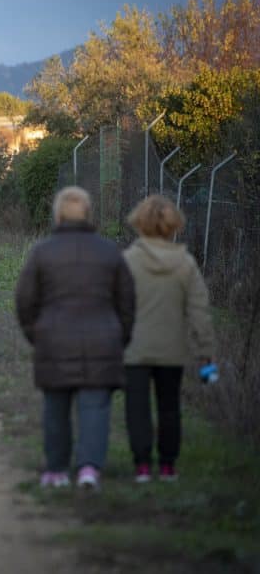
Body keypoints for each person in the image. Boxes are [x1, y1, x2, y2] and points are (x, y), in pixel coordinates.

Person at [15, 186, 136, 490]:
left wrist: (36, 334)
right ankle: (89, 469)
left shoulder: (42, 251)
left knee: (55, 409)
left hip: (53, 341)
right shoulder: (110, 251)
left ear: (57, 215)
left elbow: (25, 301)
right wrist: (119, 336)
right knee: (95, 408)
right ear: (89, 214)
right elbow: (127, 303)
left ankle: (56, 470)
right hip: (103, 340)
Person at [122, 195, 216, 483]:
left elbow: (116, 304)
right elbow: (199, 311)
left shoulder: (128, 260)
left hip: (135, 349)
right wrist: (206, 351)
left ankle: (141, 466)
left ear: (140, 222)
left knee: (137, 408)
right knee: (170, 407)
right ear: (173, 224)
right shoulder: (185, 263)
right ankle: (167, 466)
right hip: (172, 350)